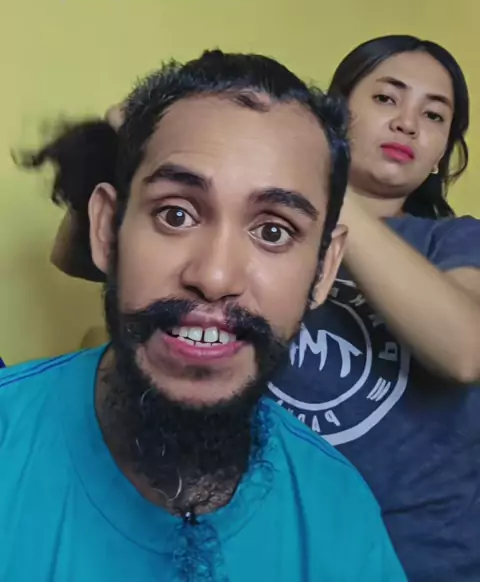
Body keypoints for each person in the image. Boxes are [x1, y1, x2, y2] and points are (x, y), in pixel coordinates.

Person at [3, 50, 407, 582]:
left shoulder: (342, 517)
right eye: (176, 214)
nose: (214, 277)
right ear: (106, 231)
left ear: (324, 269)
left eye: (273, 231)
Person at [268, 35, 480, 582]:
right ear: (338, 112)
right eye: (387, 98)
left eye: (434, 115)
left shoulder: (456, 241)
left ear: (442, 152)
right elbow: (79, 255)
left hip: (419, 560)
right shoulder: (266, 223)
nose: (408, 124)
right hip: (269, 547)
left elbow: (466, 350)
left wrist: (315, 173)